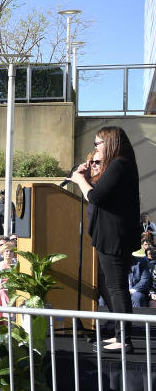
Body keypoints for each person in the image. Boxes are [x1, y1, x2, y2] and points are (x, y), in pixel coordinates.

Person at [70, 126, 141, 353]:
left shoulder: (120, 164)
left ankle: (125, 339)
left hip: (115, 236)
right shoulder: (117, 166)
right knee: (107, 282)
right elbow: (102, 193)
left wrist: (79, 179)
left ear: (110, 143)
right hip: (108, 234)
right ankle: (120, 333)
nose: (95, 148)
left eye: (97, 143)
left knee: (117, 286)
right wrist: (89, 174)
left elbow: (96, 197)